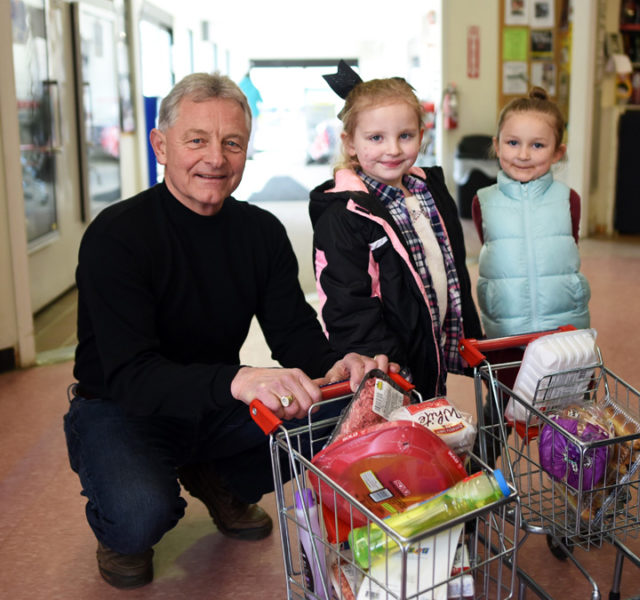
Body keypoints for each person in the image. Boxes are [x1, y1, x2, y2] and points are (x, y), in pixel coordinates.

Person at [64, 72, 395, 590]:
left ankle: (216, 480)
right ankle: (121, 521)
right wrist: (240, 380)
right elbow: (131, 376)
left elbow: (293, 335)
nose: (215, 158)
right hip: (121, 407)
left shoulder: (260, 233)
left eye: (232, 143)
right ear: (161, 146)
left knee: (339, 409)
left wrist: (339, 364)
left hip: (213, 403)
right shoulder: (117, 235)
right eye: (196, 140)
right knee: (138, 517)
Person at [309, 61, 483, 401]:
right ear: (350, 143)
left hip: (430, 342)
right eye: (376, 138)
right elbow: (347, 302)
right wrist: (382, 362)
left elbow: (450, 266)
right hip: (389, 366)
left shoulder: (429, 190)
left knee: (429, 418)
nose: (393, 149)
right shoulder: (344, 215)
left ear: (422, 133)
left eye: (405, 136)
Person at [471, 86, 591, 464]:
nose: (523, 154)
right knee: (495, 419)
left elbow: (568, 245)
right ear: (497, 145)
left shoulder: (568, 199)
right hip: (507, 335)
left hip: (563, 334)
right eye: (513, 142)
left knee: (575, 422)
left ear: (558, 151)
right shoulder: (483, 201)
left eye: (537, 145)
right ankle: (476, 497)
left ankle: (588, 497)